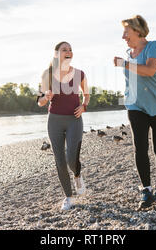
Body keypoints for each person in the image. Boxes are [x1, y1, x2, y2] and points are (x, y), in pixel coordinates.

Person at [113, 15, 156, 209]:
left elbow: (149, 71)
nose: (123, 36)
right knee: (140, 148)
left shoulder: (154, 46)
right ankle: (146, 191)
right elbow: (131, 81)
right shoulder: (128, 53)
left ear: (138, 32)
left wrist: (124, 64)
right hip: (136, 106)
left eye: (126, 32)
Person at [37, 41, 90, 210]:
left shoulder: (80, 74)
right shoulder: (47, 74)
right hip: (55, 121)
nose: (68, 52)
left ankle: (77, 174)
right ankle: (68, 197)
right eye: (64, 49)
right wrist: (46, 97)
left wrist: (83, 106)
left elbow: (86, 94)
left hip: (74, 119)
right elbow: (39, 102)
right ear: (56, 54)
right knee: (59, 161)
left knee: (71, 158)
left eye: (70, 49)